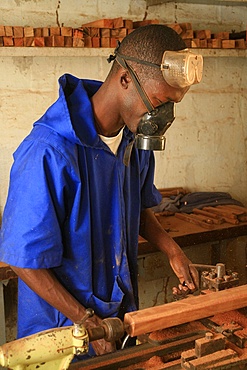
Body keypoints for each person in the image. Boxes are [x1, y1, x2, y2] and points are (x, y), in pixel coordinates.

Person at [0, 24, 201, 356]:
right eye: (160, 102)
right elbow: (25, 261)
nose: (164, 116)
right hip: (63, 332)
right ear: (125, 79)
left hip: (116, 317)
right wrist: (87, 321)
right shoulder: (48, 152)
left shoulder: (134, 142)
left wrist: (172, 251)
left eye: (172, 105)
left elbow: (134, 208)